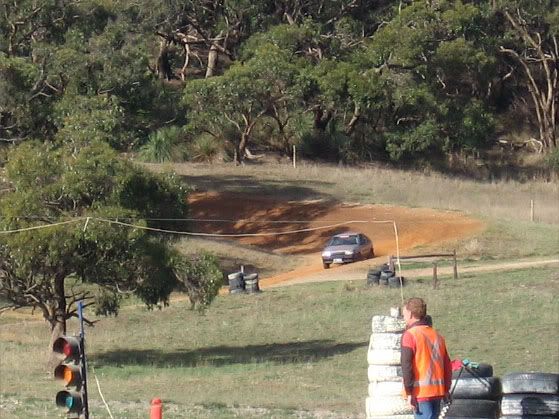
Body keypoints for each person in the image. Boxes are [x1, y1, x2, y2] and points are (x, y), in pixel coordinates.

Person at [401, 297, 452, 419]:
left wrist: (408, 392)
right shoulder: (437, 335)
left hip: (420, 394)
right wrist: (446, 389)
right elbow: (447, 365)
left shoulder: (410, 335)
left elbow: (406, 365)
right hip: (438, 392)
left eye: (404, 314)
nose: (403, 317)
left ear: (410, 314)